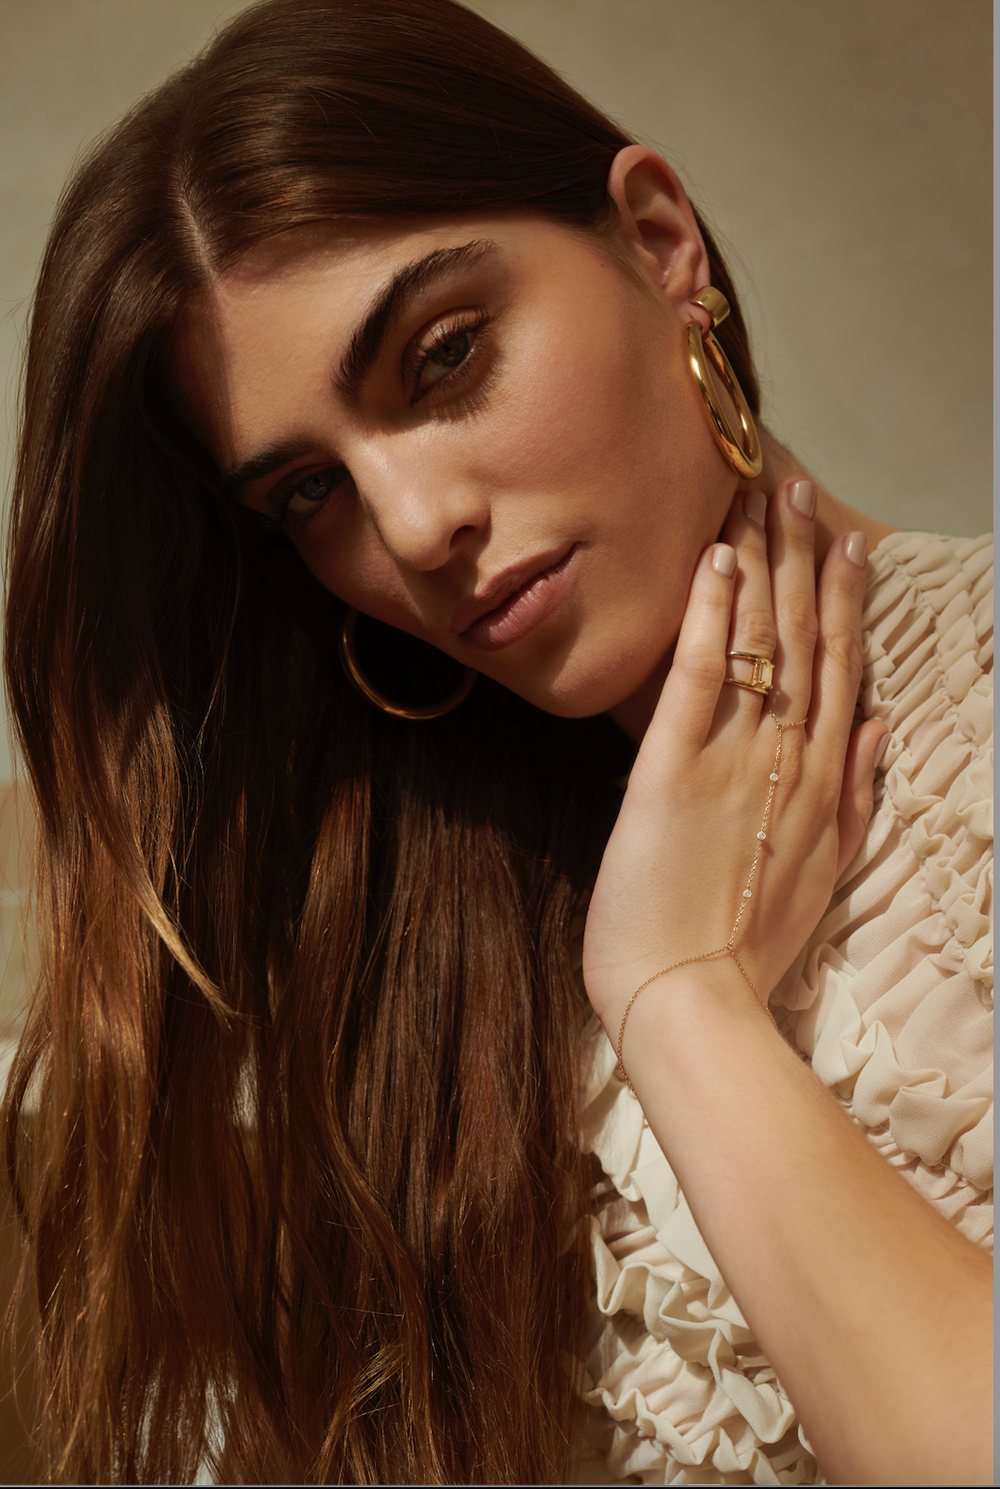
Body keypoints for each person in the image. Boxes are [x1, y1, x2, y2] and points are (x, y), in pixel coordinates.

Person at [1, 0, 990, 1483]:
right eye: (307, 494)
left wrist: (680, 1003)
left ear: (660, 242)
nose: (412, 527)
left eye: (445, 356)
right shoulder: (394, 980)